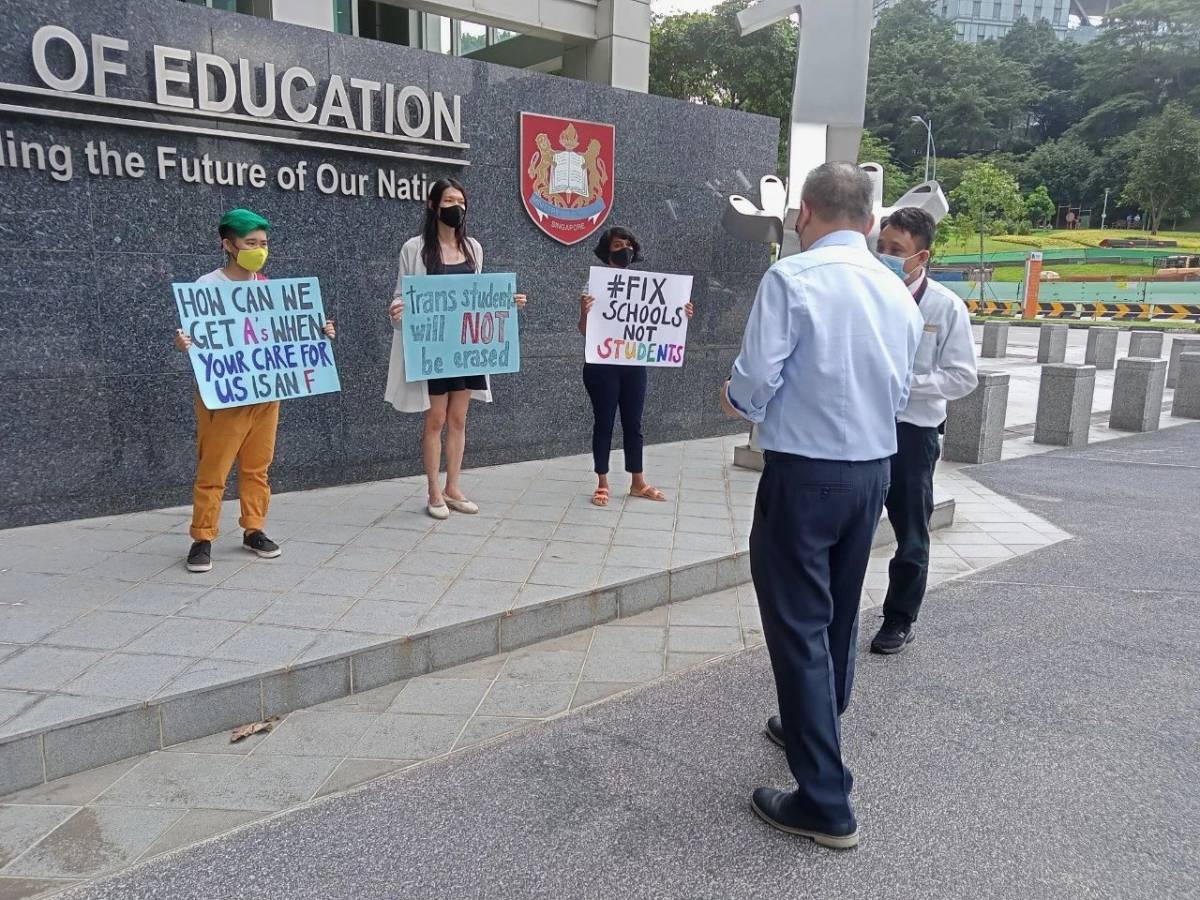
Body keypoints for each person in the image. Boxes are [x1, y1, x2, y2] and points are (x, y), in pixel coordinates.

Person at [720, 162, 923, 849]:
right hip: (872, 471)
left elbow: (756, 377)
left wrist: (738, 399)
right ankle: (817, 722)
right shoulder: (895, 288)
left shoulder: (792, 278)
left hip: (805, 472)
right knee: (835, 611)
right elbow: (901, 387)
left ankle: (826, 801)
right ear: (869, 221)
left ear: (804, 212)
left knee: (799, 625)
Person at [173, 208, 336, 574]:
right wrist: (185, 343)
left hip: (265, 394)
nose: (260, 250)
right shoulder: (207, 287)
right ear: (228, 245)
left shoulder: (267, 288)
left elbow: (284, 335)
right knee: (213, 470)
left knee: (258, 467)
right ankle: (202, 537)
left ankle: (254, 528)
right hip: (224, 398)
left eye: (263, 243)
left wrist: (318, 333)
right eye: (251, 243)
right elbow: (198, 337)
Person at [386, 178, 527, 519]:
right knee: (436, 418)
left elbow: (478, 295)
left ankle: (453, 487)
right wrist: (397, 313)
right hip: (434, 348)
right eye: (449, 201)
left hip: (466, 346)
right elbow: (401, 295)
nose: (456, 208)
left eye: (461, 202)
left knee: (459, 418)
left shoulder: (473, 248)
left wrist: (506, 303)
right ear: (432, 205)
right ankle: (433, 491)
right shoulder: (414, 249)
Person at [871, 208, 978, 654]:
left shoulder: (944, 306)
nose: (885, 256)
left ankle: (900, 618)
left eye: (896, 250)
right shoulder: (867, 294)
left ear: (921, 257)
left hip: (913, 434)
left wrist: (908, 384)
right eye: (881, 246)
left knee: (911, 531)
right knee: (850, 525)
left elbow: (963, 376)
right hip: (865, 426)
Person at [578, 227, 694, 506]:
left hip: (634, 363)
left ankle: (637, 482)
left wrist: (682, 314)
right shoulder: (595, 284)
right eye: (618, 245)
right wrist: (585, 312)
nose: (625, 250)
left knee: (634, 423)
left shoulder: (645, 285)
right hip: (602, 365)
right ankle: (602, 482)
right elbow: (585, 330)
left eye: (629, 245)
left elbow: (661, 322)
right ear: (607, 251)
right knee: (604, 423)